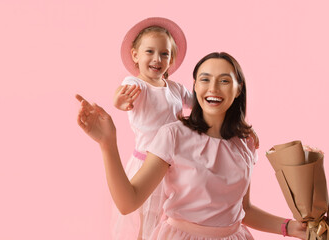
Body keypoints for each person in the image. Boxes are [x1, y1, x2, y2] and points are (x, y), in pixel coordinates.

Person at [76, 52, 306, 239]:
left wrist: (289, 227)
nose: (213, 88)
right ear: (195, 87)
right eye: (205, 79)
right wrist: (108, 143)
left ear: (238, 89)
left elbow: (242, 210)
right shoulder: (173, 135)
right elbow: (129, 202)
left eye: (224, 80)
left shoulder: (245, 141)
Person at [112, 17, 193, 240]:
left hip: (175, 165)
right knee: (144, 220)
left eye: (164, 54)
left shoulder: (176, 88)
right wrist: (121, 101)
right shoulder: (138, 84)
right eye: (150, 52)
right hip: (147, 164)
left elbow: (199, 103)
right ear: (135, 55)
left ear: (171, 58)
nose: (157, 59)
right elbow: (124, 92)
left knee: (168, 221)